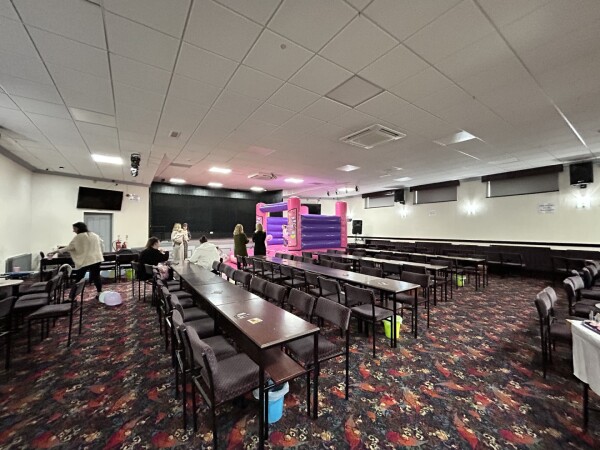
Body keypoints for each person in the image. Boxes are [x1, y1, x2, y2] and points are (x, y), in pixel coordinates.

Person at [55, 221, 104, 297]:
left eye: (74, 228)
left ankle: (72, 297)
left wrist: (56, 251)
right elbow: (101, 244)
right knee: (96, 277)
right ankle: (99, 293)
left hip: (85, 260)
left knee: (79, 278)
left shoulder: (78, 237)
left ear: (78, 228)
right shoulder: (94, 235)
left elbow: (69, 247)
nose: (73, 230)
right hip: (96, 259)